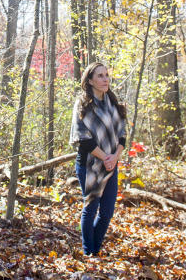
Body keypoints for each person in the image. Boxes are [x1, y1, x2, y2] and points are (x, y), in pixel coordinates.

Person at [69, 62, 126, 257]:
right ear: (90, 80)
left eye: (106, 75)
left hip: (111, 164)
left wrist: (114, 157)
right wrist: (105, 157)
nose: (105, 79)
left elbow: (122, 135)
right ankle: (89, 252)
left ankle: (95, 249)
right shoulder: (84, 104)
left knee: (107, 211)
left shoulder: (112, 102)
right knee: (91, 207)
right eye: (100, 76)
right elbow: (83, 139)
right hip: (89, 164)